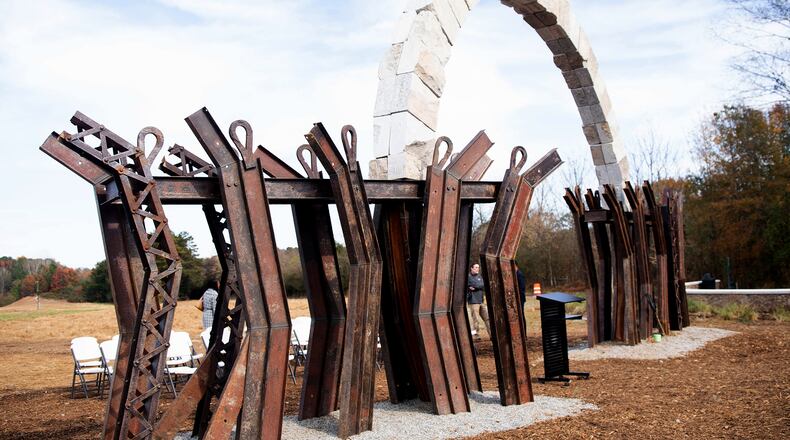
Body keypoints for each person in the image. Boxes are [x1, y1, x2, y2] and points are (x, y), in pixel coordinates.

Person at [466, 263, 490, 338]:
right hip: (473, 301)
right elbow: (470, 285)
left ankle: (492, 335)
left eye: (478, 267)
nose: (478, 269)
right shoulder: (468, 277)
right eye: (476, 267)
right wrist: (477, 286)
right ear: (471, 268)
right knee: (475, 320)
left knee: (487, 318)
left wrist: (475, 287)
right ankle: (475, 335)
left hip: (481, 301)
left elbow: (482, 285)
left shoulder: (479, 276)